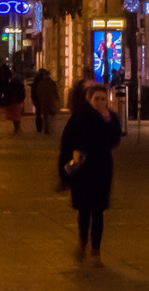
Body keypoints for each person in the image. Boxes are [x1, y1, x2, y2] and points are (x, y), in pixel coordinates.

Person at [58, 82, 121, 266]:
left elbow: (114, 140)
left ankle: (96, 251)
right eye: (96, 99)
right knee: (84, 210)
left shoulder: (111, 118)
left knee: (99, 210)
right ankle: (82, 244)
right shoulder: (79, 117)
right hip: (83, 169)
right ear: (90, 99)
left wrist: (107, 121)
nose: (100, 102)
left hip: (102, 168)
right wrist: (65, 169)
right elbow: (67, 142)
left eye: (103, 99)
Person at [31, 69, 60, 134]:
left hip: (43, 101)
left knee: (45, 116)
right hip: (50, 101)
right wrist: (57, 99)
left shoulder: (40, 83)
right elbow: (55, 92)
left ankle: (46, 129)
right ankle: (50, 127)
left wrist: (37, 100)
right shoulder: (52, 83)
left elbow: (38, 93)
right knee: (51, 115)